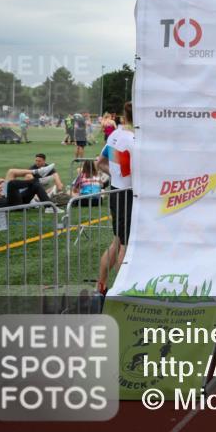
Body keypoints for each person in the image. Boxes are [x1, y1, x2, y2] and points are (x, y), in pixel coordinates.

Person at [96, 102, 134, 293]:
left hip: (116, 191)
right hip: (129, 195)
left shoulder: (115, 134)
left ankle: (100, 287)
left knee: (117, 242)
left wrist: (116, 176)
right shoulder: (135, 139)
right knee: (125, 247)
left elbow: (99, 163)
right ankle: (121, 293)